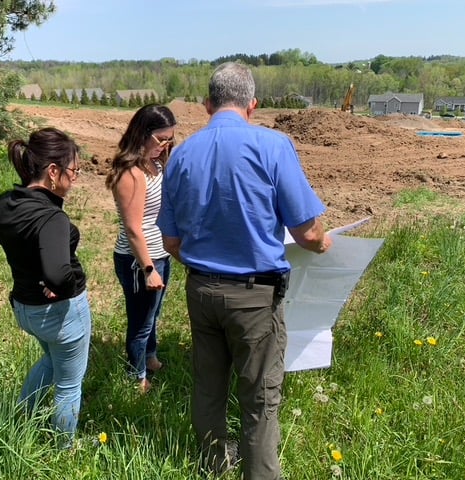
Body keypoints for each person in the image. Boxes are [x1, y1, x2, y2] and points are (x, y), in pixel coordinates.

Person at [157, 62, 333, 480]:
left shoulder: (180, 154)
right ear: (252, 105)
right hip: (255, 298)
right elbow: (307, 233)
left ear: (207, 105)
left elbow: (171, 242)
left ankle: (214, 465)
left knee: (208, 384)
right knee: (260, 397)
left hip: (200, 292)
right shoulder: (274, 147)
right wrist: (324, 243)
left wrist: (206, 266)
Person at [0, 127, 91, 449]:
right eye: (74, 170)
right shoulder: (51, 217)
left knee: (50, 363)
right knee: (69, 384)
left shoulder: (9, 202)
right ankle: (63, 451)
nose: (76, 177)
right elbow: (57, 276)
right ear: (53, 172)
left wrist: (23, 254)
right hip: (60, 314)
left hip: (25, 309)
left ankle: (21, 418)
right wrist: (63, 286)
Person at [105, 104, 176, 394]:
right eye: (161, 139)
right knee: (140, 321)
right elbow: (133, 228)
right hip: (138, 260)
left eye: (170, 139)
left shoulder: (155, 164)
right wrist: (148, 268)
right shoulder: (130, 174)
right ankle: (137, 377)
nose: (165, 145)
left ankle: (150, 357)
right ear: (142, 134)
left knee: (153, 314)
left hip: (160, 254)